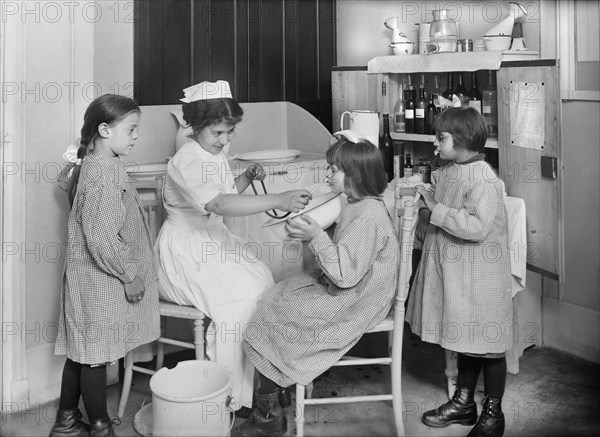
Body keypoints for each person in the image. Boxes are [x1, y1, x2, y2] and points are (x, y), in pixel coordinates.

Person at [154, 80, 311, 414]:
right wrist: (280, 198)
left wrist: (246, 179)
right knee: (237, 302)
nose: (224, 141)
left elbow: (223, 192)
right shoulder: (186, 160)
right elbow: (219, 205)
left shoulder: (213, 153)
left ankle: (260, 385)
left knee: (263, 285)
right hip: (186, 250)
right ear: (195, 126)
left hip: (213, 240)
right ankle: (229, 398)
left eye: (229, 132)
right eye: (217, 133)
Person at [233, 135, 400, 436]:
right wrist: (314, 236)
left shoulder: (368, 217)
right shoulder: (357, 204)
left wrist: (316, 236)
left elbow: (345, 275)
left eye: (333, 170)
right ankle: (277, 392)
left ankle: (267, 415)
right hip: (349, 289)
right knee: (275, 296)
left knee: (276, 315)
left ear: (355, 175)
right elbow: (346, 263)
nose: (326, 175)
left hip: (358, 300)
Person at [51, 94, 160, 437]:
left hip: (87, 279)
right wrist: (129, 274)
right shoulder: (105, 173)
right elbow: (101, 237)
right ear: (104, 130)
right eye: (130, 129)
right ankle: (100, 427)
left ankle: (66, 422)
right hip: (103, 280)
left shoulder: (90, 166)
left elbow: (65, 186)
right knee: (96, 357)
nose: (135, 136)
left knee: (81, 352)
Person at [406, 107, 513, 437]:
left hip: (481, 277)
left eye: (441, 138)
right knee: (467, 340)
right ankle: (464, 403)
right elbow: (440, 206)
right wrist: (424, 195)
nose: (435, 144)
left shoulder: (484, 181)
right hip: (460, 274)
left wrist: (433, 208)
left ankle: (493, 414)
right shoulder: (450, 171)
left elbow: (476, 227)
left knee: (490, 347)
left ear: (464, 140)